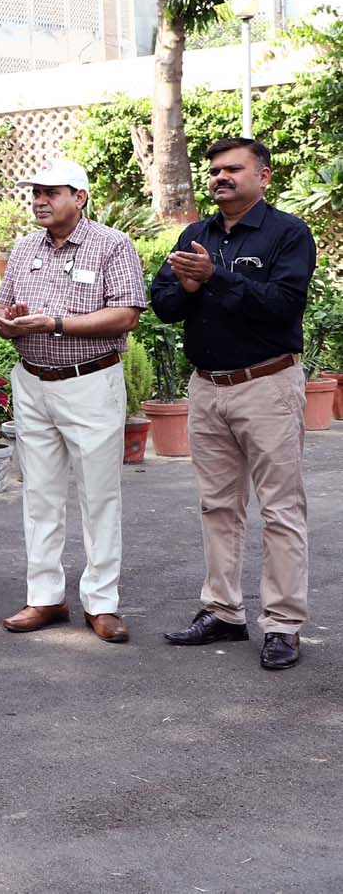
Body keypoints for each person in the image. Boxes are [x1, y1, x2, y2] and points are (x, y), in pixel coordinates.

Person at [152, 138, 317, 671]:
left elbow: (282, 305)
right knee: (218, 506)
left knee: (280, 508)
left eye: (233, 169)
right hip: (207, 389)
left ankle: (283, 624)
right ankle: (223, 610)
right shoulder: (194, 234)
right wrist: (185, 284)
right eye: (215, 171)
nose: (221, 177)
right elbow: (164, 306)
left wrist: (215, 278)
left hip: (267, 384)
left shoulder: (288, 234)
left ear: (263, 176)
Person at [0, 159, 146, 642]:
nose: (38, 200)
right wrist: (7, 320)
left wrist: (54, 323)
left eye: (50, 192)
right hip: (32, 380)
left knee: (98, 496)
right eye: (35, 192)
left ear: (79, 197)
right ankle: (45, 597)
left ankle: (101, 602)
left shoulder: (112, 245)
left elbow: (126, 315)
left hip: (90, 382)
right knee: (39, 494)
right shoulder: (23, 247)